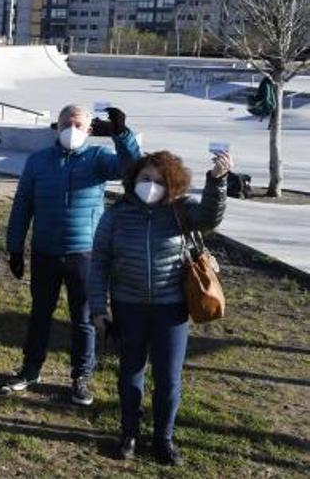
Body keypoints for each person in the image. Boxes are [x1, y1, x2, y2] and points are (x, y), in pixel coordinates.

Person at [89, 151, 230, 466]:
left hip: (171, 310)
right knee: (130, 373)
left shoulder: (182, 212)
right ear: (133, 180)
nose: (150, 185)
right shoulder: (116, 214)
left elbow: (211, 217)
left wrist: (217, 182)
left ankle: (163, 438)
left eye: (158, 180)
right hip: (128, 307)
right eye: (145, 179)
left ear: (172, 184)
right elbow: (99, 262)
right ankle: (129, 433)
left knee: (168, 378)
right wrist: (99, 307)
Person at [0, 105, 141, 405]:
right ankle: (30, 368)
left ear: (89, 130)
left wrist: (122, 134)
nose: (71, 129)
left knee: (84, 319)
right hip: (44, 252)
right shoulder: (37, 161)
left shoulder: (98, 159)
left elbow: (132, 169)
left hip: (84, 253)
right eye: (66, 123)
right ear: (57, 126)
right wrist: (14, 246)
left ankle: (81, 376)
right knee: (40, 314)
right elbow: (22, 204)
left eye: (78, 124)